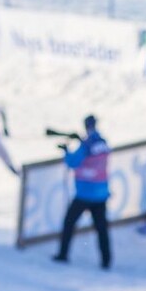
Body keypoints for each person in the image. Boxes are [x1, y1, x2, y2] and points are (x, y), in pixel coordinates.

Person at [53, 114, 112, 269]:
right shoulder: (103, 142)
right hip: (101, 193)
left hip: (85, 193)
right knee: (102, 229)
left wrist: (66, 151)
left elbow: (73, 162)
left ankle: (63, 254)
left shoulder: (87, 144)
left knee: (69, 223)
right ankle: (106, 260)